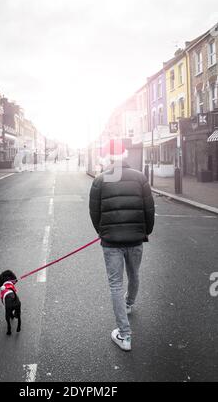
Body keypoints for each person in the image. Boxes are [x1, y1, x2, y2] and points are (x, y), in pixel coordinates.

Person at [89, 139, 155, 352]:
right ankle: (129, 304)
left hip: (111, 243)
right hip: (136, 239)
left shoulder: (99, 181)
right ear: (125, 155)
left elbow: (94, 212)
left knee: (115, 285)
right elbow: (149, 210)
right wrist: (145, 231)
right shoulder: (140, 178)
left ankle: (124, 335)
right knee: (134, 274)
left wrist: (102, 232)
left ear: (108, 157)